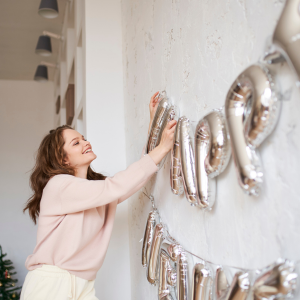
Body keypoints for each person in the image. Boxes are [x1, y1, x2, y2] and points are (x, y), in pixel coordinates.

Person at [20, 92, 177, 300]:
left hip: (84, 283)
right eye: (76, 143)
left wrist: (153, 126)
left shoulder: (97, 192)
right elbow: (118, 185)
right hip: (52, 282)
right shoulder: (58, 186)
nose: (86, 142)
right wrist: (164, 147)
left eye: (83, 138)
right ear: (63, 159)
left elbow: (135, 179)